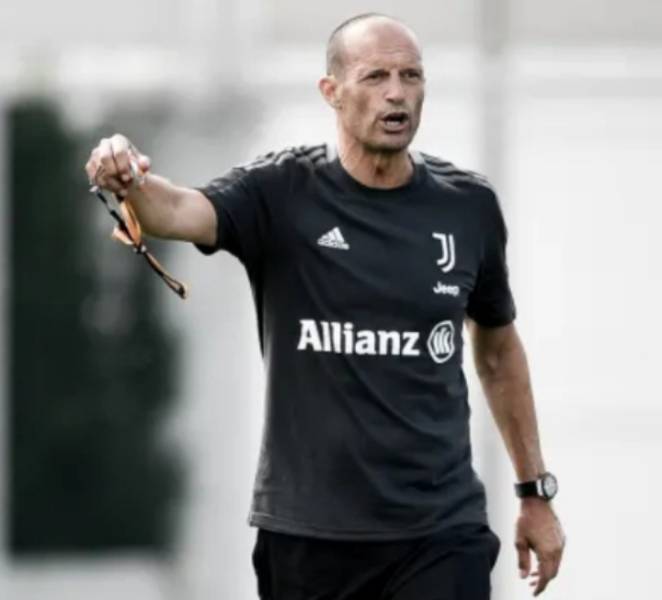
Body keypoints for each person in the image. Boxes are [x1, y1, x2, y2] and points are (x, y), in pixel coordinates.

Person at [85, 12, 565, 600]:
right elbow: (176, 211)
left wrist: (534, 493)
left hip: (439, 531)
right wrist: (127, 179)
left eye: (411, 76)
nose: (397, 93)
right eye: (376, 76)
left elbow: (497, 351)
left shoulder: (467, 207)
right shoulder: (281, 190)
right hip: (309, 538)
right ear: (331, 91)